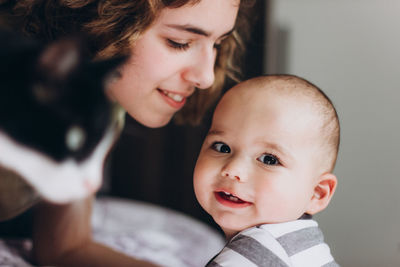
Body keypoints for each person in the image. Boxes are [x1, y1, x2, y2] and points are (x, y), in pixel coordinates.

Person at [0, 0, 255, 266]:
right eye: (180, 42)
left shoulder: (99, 105)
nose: (206, 77)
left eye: (218, 44)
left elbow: (65, 248)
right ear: (104, 21)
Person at [193, 74, 341, 266]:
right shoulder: (304, 246)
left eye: (269, 159)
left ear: (317, 193)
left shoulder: (251, 256)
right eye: (222, 147)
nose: (233, 169)